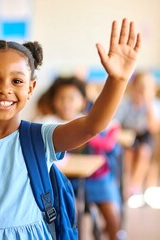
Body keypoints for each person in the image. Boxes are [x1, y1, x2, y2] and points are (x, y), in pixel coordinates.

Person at [0, 19, 140, 239]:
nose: (4, 89)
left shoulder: (40, 138)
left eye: (17, 81)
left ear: (31, 88)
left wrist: (118, 80)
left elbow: (91, 126)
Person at [36, 76, 122, 240]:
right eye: (61, 98)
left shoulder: (89, 122)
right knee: (70, 212)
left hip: (96, 178)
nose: (66, 103)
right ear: (53, 101)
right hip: (62, 181)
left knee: (112, 215)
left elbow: (111, 127)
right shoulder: (48, 122)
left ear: (82, 102)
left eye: (71, 98)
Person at [114, 71, 160, 197]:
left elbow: (153, 127)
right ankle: (128, 182)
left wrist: (148, 103)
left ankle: (135, 186)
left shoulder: (154, 104)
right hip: (128, 135)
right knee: (128, 154)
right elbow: (116, 123)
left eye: (146, 88)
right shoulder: (126, 103)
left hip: (146, 136)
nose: (142, 91)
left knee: (144, 152)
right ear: (133, 87)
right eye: (140, 87)